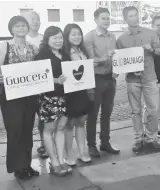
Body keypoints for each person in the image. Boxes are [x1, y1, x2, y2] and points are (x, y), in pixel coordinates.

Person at [0, 16, 40, 180]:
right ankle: (17, 167)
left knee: (27, 130)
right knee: (15, 130)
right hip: (11, 96)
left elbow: (40, 70)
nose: (21, 28)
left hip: (30, 96)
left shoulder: (34, 48)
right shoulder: (4, 46)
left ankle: (27, 164)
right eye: (17, 26)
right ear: (11, 29)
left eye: (24, 25)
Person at [116, 6, 160, 152]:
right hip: (132, 80)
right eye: (131, 16)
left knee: (154, 110)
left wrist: (151, 49)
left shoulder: (150, 33)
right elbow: (120, 62)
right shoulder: (121, 39)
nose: (135, 18)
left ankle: (151, 138)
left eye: (136, 15)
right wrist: (130, 70)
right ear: (125, 19)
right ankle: (138, 139)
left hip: (150, 77)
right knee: (135, 111)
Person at [83, 8, 121, 158]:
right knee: (92, 114)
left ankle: (105, 142)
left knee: (107, 113)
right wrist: (106, 57)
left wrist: (117, 68)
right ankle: (91, 145)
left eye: (108, 18)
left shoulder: (112, 36)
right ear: (96, 20)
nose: (106, 21)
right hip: (95, 79)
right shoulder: (89, 37)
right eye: (103, 18)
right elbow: (90, 60)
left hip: (110, 78)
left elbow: (116, 57)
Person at [34, 26, 70, 176]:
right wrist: (56, 80)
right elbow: (37, 77)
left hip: (66, 97)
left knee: (61, 128)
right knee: (49, 129)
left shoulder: (65, 54)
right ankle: (54, 161)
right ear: (47, 40)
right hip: (49, 98)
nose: (58, 40)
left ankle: (61, 160)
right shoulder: (41, 56)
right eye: (54, 38)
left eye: (60, 37)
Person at [62, 23, 94, 165]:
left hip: (84, 91)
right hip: (70, 93)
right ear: (67, 36)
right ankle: (69, 154)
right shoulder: (64, 53)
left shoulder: (83, 51)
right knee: (69, 124)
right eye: (73, 34)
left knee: (81, 122)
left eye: (79, 34)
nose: (77, 37)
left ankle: (82, 152)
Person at [22, 10, 47, 159]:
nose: (35, 22)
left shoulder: (45, 39)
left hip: (44, 85)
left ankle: (44, 144)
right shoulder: (22, 40)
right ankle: (25, 150)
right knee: (27, 119)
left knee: (44, 117)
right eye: (32, 19)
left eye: (37, 19)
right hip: (28, 87)